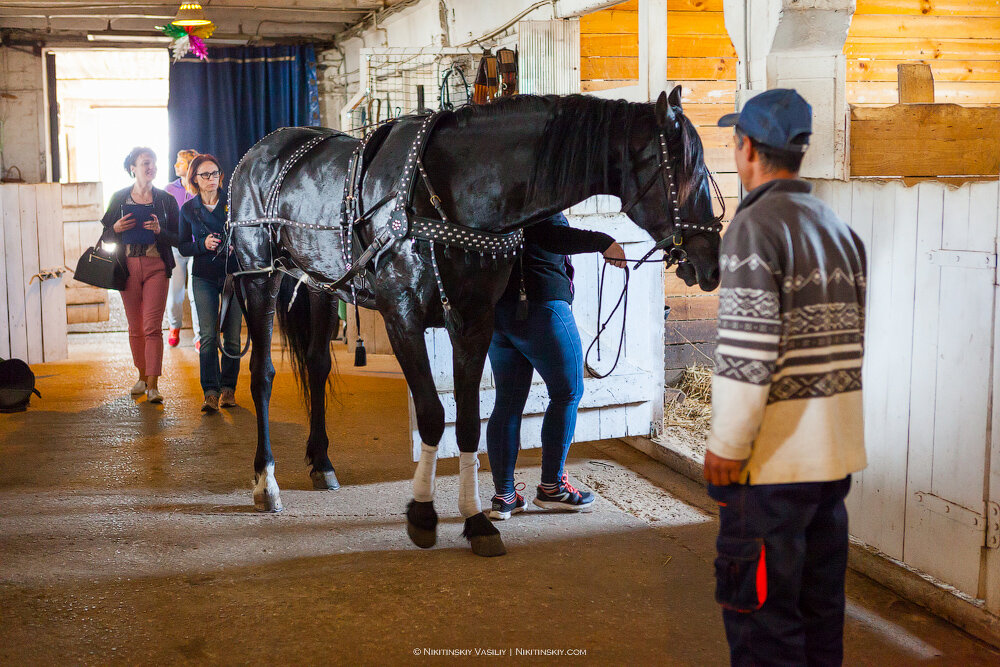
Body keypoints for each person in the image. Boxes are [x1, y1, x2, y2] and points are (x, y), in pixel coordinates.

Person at [705, 89, 868, 666]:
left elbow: (748, 358)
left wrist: (726, 446)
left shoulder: (754, 228)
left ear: (748, 148)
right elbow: (849, 345)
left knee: (765, 630)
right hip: (832, 463)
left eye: (735, 140)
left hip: (772, 470)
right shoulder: (837, 229)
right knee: (820, 619)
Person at [486, 212, 627, 520]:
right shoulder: (539, 195)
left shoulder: (501, 191)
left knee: (508, 403)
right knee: (568, 392)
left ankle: (505, 496)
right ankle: (552, 487)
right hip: (543, 308)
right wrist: (604, 243)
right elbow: (552, 236)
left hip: (500, 313)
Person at [101, 147, 181, 404]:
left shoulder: (166, 200)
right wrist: (115, 228)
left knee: (152, 327)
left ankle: (154, 385)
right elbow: (105, 238)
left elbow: (178, 238)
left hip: (157, 266)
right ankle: (142, 376)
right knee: (135, 328)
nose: (152, 167)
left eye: (154, 163)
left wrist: (160, 231)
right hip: (127, 267)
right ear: (132, 168)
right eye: (146, 163)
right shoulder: (119, 198)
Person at [178, 153, 242, 413]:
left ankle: (229, 390)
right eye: (205, 175)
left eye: (215, 174)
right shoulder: (188, 209)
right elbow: (183, 246)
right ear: (195, 178)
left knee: (234, 337)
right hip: (203, 275)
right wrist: (202, 245)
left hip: (232, 275)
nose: (211, 179)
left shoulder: (234, 203)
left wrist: (235, 245)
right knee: (207, 336)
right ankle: (211, 392)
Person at [164, 149, 200, 349]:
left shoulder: (201, 189)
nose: (176, 165)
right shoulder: (169, 189)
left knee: (196, 293)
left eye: (180, 162)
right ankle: (174, 326)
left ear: (191, 166)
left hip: (196, 248)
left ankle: (200, 337)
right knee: (175, 293)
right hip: (176, 248)